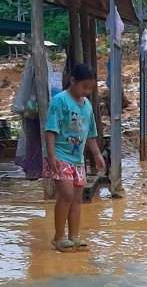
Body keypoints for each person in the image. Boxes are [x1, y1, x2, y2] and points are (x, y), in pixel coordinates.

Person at [43, 63, 105, 252]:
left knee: (77, 198)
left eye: (90, 88)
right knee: (67, 194)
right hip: (60, 156)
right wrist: (51, 155)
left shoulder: (86, 106)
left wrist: (97, 154)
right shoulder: (59, 101)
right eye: (84, 87)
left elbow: (90, 134)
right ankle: (59, 236)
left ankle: (74, 236)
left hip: (77, 160)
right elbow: (50, 130)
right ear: (72, 81)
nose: (87, 91)